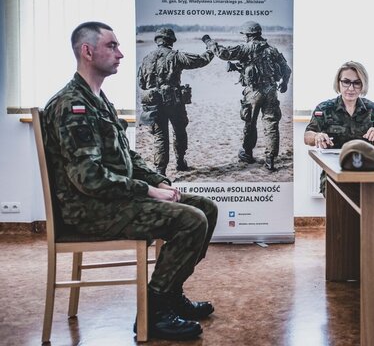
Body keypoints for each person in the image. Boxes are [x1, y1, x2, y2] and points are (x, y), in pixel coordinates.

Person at [43, 22, 218, 341]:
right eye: (111, 46)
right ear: (87, 51)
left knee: (207, 208)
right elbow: (90, 179)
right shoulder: (72, 106)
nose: (121, 53)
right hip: (92, 210)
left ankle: (169, 295)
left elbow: (128, 159)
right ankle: (153, 313)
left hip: (115, 200)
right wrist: (148, 191)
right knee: (191, 221)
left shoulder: (98, 99)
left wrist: (159, 182)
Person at [201, 21, 291, 171]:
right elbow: (286, 69)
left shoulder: (245, 48)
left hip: (253, 91)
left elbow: (223, 53)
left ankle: (247, 154)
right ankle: (270, 159)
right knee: (271, 124)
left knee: (250, 123)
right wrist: (285, 84)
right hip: (271, 91)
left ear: (249, 35)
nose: (243, 37)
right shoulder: (272, 50)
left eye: (244, 35)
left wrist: (208, 41)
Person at [137, 27, 214, 176]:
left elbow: (141, 83)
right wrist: (211, 50)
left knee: (160, 137)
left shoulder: (146, 59)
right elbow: (201, 60)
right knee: (179, 132)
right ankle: (180, 162)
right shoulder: (175, 56)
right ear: (171, 40)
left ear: (157, 41)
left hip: (154, 104)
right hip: (174, 103)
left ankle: (160, 171)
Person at [304, 61, 374, 192]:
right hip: (335, 170)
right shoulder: (325, 108)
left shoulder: (373, 109)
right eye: (346, 82)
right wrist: (317, 136)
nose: (351, 88)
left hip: (367, 170)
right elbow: (307, 137)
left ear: (363, 84)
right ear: (338, 82)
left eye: (356, 83)